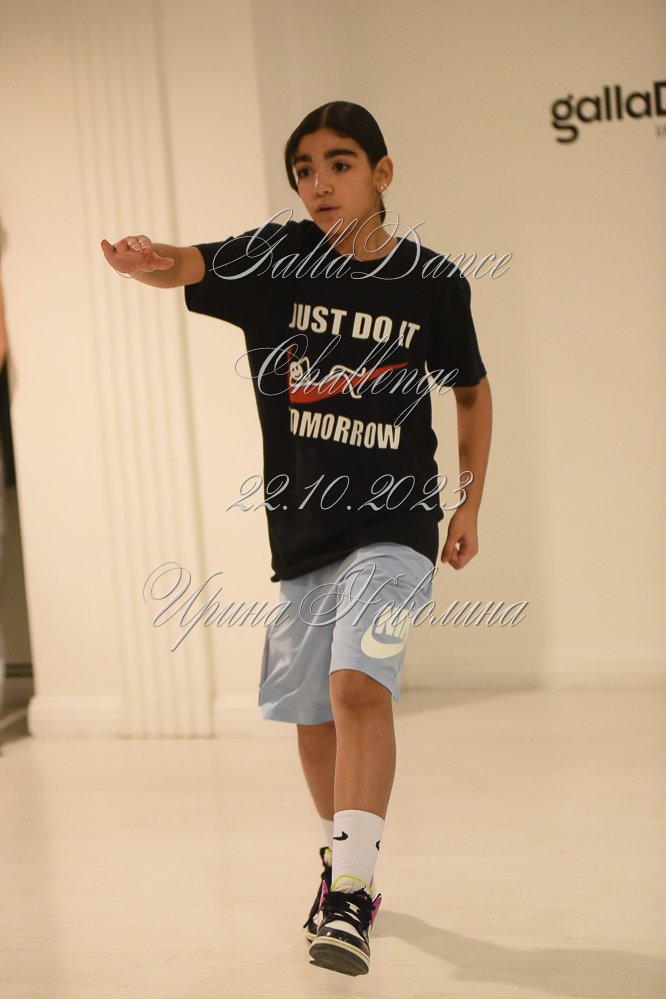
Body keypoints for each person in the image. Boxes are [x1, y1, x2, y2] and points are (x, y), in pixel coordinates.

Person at [101, 100, 492, 978]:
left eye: (339, 163)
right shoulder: (277, 260)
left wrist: (468, 504)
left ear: (382, 173)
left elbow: (470, 390)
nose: (320, 182)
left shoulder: (432, 282)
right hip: (306, 532)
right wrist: (147, 260)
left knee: (358, 684)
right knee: (313, 711)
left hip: (397, 522)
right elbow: (189, 264)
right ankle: (339, 860)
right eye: (305, 169)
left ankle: (350, 891)